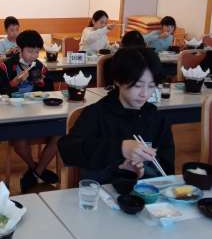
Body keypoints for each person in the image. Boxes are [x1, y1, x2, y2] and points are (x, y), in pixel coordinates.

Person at [58, 47, 175, 183]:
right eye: (137, 86)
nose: (144, 94)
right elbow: (68, 149)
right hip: (102, 192)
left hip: (148, 193)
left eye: (151, 86)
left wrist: (144, 171)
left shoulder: (156, 118)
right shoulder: (97, 113)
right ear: (118, 80)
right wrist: (120, 148)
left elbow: (167, 168)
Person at [0, 30, 58, 192]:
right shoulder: (6, 66)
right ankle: (37, 170)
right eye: (30, 51)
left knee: (60, 134)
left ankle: (35, 173)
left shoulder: (39, 66)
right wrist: (14, 83)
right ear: (20, 49)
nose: (33, 56)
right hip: (14, 114)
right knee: (20, 142)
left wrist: (42, 83)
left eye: (36, 52)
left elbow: (51, 91)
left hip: (37, 113)